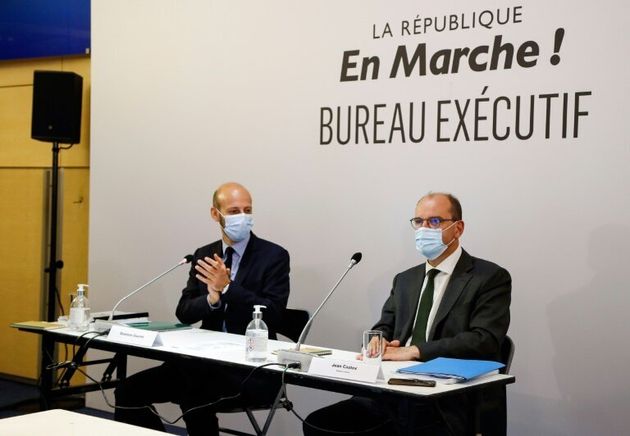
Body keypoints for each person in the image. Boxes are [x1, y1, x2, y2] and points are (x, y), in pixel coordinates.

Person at [304, 192, 511, 436]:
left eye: (434, 222)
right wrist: (378, 340)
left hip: (446, 401)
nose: (424, 228)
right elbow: (385, 325)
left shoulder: (489, 277)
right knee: (319, 425)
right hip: (392, 392)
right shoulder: (405, 280)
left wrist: (414, 351)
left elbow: (484, 340)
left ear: (458, 228)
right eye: (419, 221)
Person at [114, 182, 290, 436]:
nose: (242, 217)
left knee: (193, 393)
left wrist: (228, 288)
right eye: (233, 211)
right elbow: (184, 312)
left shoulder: (273, 256)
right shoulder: (204, 255)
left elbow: (273, 313)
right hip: (202, 361)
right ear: (215, 214)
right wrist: (212, 299)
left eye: (247, 210)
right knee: (128, 391)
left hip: (250, 369)